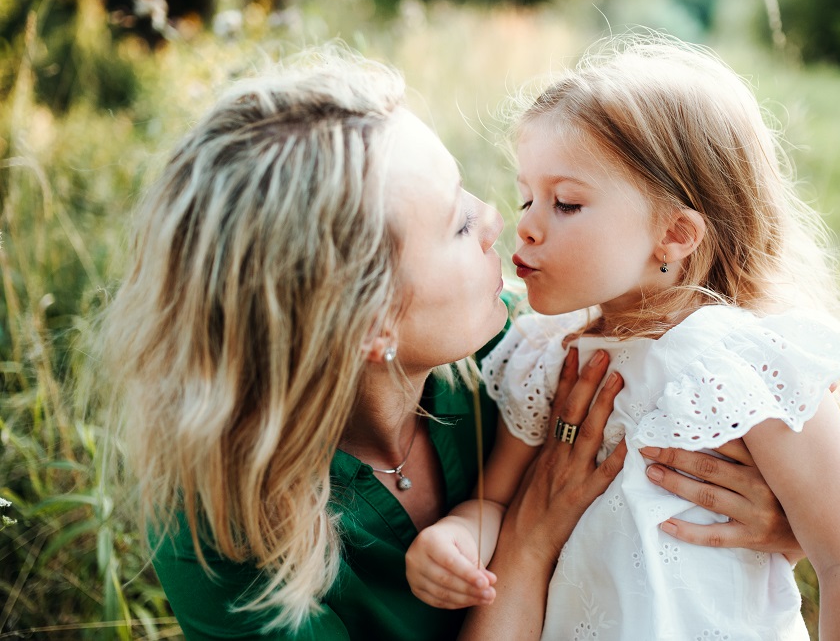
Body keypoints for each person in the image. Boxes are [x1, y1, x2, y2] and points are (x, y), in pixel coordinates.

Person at [100, 47, 804, 640]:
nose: (498, 219)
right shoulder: (218, 525)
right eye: (458, 224)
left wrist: (785, 522)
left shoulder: (518, 357)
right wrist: (527, 540)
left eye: (469, 192)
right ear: (367, 321)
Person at [405, 36, 840, 639]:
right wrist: (457, 536)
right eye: (527, 195)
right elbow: (499, 502)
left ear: (674, 233)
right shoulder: (545, 354)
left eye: (565, 203)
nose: (526, 225)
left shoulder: (743, 365)